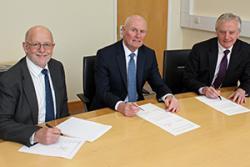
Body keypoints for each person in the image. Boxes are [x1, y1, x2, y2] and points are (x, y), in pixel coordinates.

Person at [91, 15, 179, 116]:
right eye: (134, 30)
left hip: (137, 108)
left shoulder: (148, 54)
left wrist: (168, 96)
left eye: (142, 31)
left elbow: (158, 83)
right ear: (123, 31)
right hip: (109, 109)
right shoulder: (105, 55)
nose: (138, 35)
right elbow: (102, 92)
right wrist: (121, 106)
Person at [0, 25, 69, 146]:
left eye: (47, 44)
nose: (42, 50)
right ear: (25, 47)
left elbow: (62, 106)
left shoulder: (57, 68)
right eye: (36, 44)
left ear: (53, 47)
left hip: (57, 138)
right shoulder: (9, 79)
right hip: (28, 141)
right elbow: (2, 122)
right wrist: (35, 134)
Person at [183, 13, 250, 104]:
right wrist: (204, 89)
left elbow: (248, 78)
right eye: (222, 32)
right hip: (199, 97)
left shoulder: (246, 50)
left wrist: (242, 90)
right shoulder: (200, 49)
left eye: (231, 32)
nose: (227, 37)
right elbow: (188, 78)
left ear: (238, 33)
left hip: (226, 97)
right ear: (216, 32)